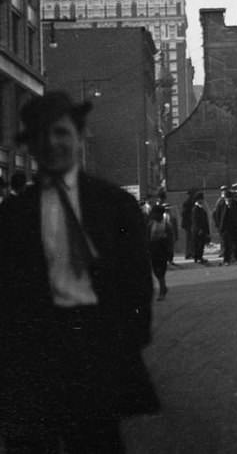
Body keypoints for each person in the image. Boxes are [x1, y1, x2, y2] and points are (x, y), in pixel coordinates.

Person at [0, 91, 159, 450]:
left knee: (96, 444)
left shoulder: (116, 206)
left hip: (94, 359)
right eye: (42, 135)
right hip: (31, 363)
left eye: (61, 132)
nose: (52, 143)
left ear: (77, 136)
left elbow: (136, 284)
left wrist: (124, 344)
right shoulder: (11, 217)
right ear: (31, 146)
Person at [146, 203, 174, 301]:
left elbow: (170, 239)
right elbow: (147, 237)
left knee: (160, 271)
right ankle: (164, 287)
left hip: (162, 249)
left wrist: (170, 252)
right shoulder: (150, 224)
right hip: (153, 250)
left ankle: (162, 291)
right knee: (156, 271)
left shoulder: (166, 224)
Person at [191, 191, 211, 264]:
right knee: (197, 244)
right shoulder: (195, 209)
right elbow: (195, 221)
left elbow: (205, 221)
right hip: (197, 231)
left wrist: (207, 231)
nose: (202, 200)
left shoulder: (202, 209)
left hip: (203, 230)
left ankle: (200, 257)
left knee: (201, 244)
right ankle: (197, 257)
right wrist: (199, 229)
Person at [180, 189, 196, 260]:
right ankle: (189, 253)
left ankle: (189, 252)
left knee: (190, 238)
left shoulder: (188, 202)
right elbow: (184, 213)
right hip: (189, 223)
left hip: (188, 223)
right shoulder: (189, 203)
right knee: (190, 238)